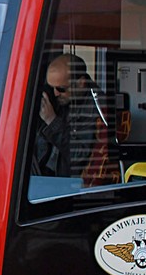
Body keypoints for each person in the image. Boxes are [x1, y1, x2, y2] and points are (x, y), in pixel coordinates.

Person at [34, 53, 116, 183]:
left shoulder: (96, 107)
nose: (55, 93)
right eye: (52, 87)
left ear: (81, 83)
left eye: (61, 89)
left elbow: (79, 156)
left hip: (69, 183)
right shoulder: (58, 97)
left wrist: (52, 121)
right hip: (43, 172)